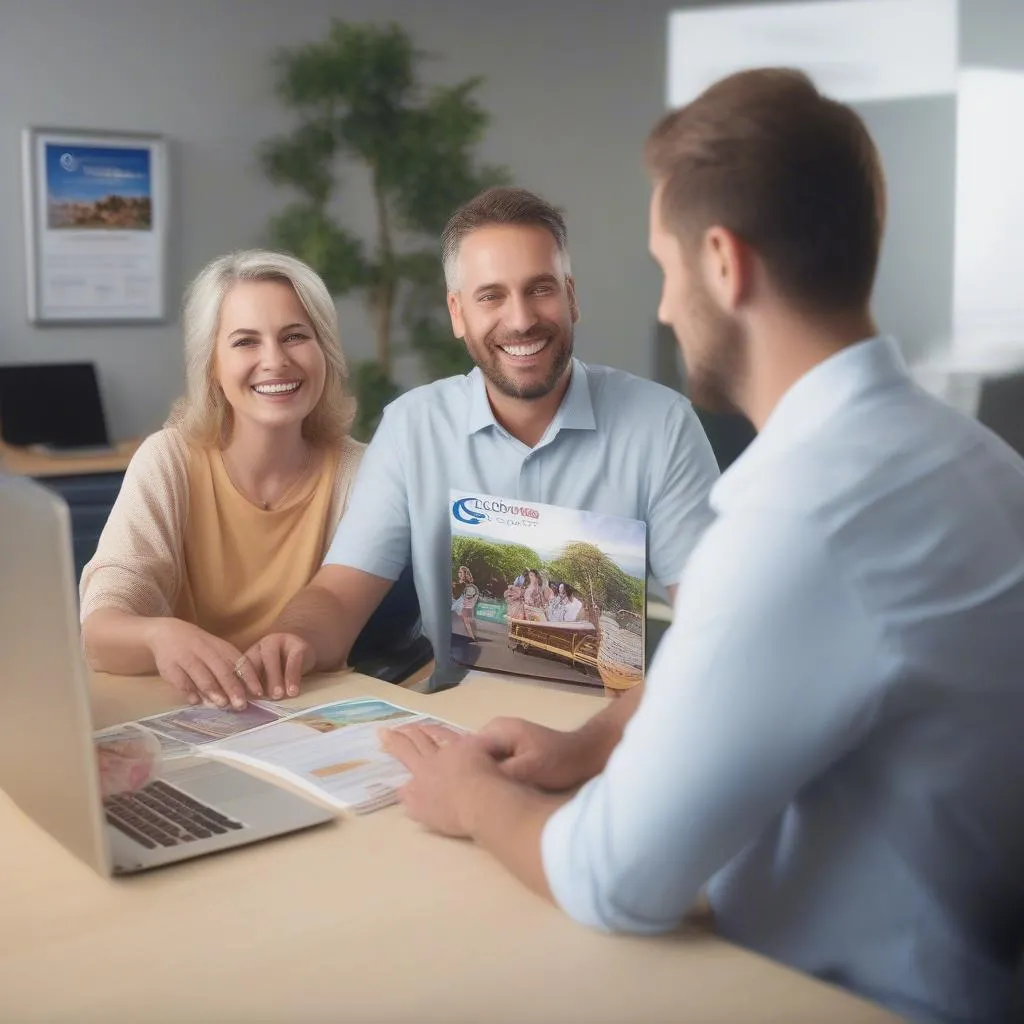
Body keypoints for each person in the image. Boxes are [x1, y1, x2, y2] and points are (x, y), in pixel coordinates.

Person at [380, 69, 1024, 1024]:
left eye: (667, 266)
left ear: (723, 263)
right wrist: (590, 746)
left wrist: (469, 794)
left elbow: (609, 878)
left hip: (841, 994)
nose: (669, 307)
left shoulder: (797, 525)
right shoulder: (982, 461)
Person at [245, 186, 720, 694]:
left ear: (571, 297)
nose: (520, 320)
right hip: (459, 734)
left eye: (540, 288)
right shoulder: (411, 427)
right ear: (457, 313)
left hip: (607, 734)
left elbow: (717, 618)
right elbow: (339, 594)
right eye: (491, 295)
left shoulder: (663, 424)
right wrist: (292, 638)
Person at [79, 250, 363, 711]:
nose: (275, 360)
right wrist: (158, 634)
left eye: (295, 336)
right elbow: (99, 633)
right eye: (245, 342)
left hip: (311, 715)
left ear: (324, 351)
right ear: (211, 364)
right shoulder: (168, 461)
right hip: (182, 716)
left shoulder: (360, 472)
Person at [451, 565, 480, 641]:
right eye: (458, 572)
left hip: (464, 603)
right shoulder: (460, 583)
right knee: (467, 620)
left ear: (465, 574)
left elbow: (463, 591)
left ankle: (472, 637)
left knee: (467, 621)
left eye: (461, 572)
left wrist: (454, 586)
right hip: (461, 603)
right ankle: (472, 636)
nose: (459, 574)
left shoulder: (465, 583)